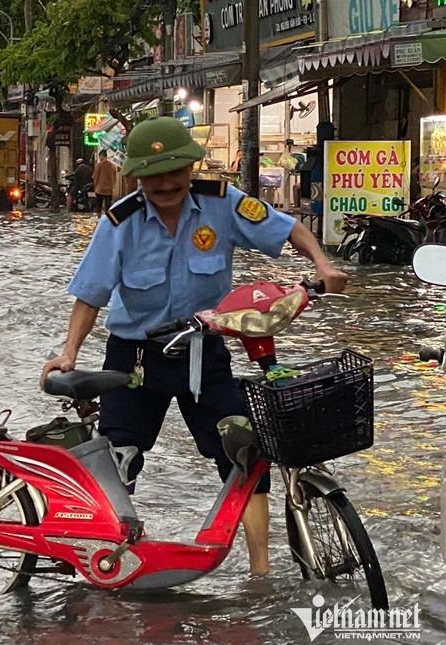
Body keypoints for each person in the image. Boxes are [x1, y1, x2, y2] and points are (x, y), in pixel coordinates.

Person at [39, 116, 348, 576]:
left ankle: (259, 574)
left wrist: (324, 263)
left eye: (175, 171)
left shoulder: (222, 204)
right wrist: (69, 352)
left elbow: (287, 230)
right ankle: (108, 559)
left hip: (206, 352)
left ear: (191, 169)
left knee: (244, 452)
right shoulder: (119, 222)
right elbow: (91, 294)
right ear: (137, 177)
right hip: (135, 356)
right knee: (119, 457)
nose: (166, 183)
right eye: (153, 175)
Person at [93, 149, 117, 216]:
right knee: (108, 207)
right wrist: (113, 187)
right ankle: (107, 220)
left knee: (99, 206)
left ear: (102, 156)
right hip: (109, 190)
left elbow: (96, 178)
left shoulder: (99, 165)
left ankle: (99, 220)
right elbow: (114, 178)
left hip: (99, 189)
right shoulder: (112, 166)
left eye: (99, 156)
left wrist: (95, 188)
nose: (99, 158)